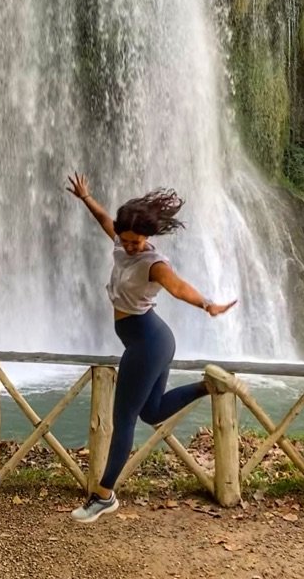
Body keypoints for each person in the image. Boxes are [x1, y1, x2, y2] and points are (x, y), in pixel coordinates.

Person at [65, 172, 237, 523]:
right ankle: (208, 386)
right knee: (152, 412)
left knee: (124, 419)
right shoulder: (120, 242)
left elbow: (178, 287)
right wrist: (86, 198)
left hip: (148, 342)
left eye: (137, 241)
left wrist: (207, 304)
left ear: (147, 237)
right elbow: (105, 219)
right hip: (151, 339)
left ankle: (104, 495)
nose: (131, 246)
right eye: (127, 240)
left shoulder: (153, 264)